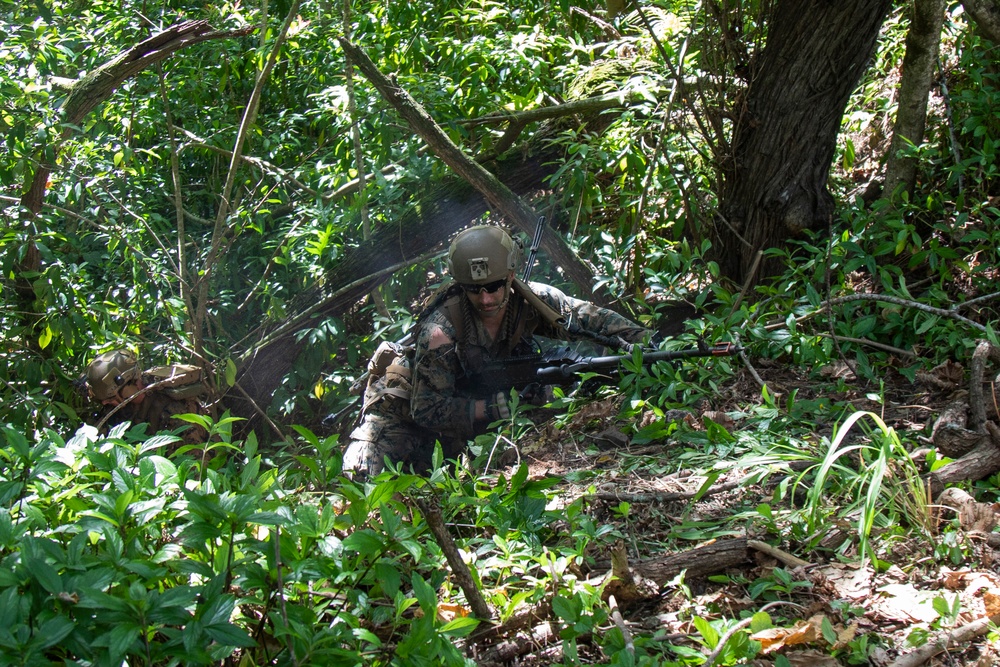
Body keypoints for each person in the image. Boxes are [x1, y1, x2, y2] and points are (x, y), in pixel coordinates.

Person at [343, 225, 653, 477]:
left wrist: (650, 345)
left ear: (510, 277)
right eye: (474, 289)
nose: (486, 298)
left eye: (493, 286)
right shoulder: (440, 332)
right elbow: (425, 410)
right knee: (363, 473)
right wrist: (490, 408)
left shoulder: (530, 301)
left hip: (469, 412)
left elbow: (594, 320)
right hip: (404, 416)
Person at [83, 349, 211, 445]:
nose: (107, 403)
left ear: (131, 383)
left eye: (111, 398)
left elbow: (195, 463)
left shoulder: (170, 409)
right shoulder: (118, 409)